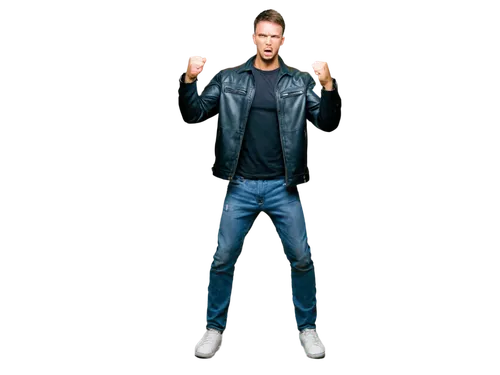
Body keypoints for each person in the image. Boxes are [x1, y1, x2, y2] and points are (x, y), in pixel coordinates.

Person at [177, 8, 338, 361]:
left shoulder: (299, 81)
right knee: (221, 258)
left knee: (301, 258)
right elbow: (195, 116)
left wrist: (327, 86)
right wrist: (190, 81)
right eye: (261, 35)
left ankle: (308, 328)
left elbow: (325, 125)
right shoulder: (229, 78)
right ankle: (214, 329)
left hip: (285, 187)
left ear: (284, 41)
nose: (267, 42)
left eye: (274, 36)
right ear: (253, 39)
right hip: (241, 185)